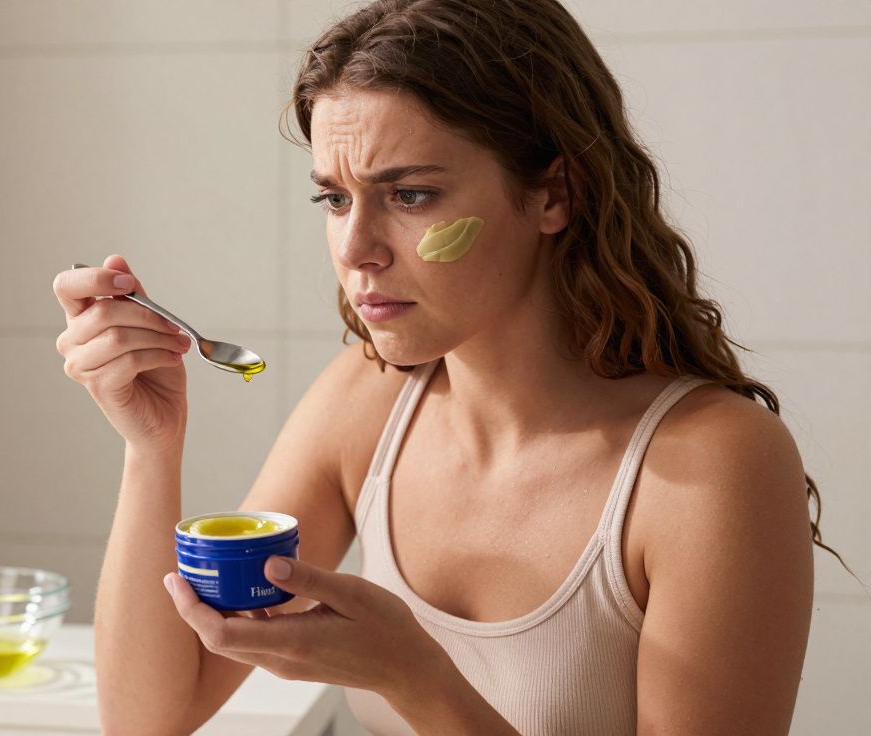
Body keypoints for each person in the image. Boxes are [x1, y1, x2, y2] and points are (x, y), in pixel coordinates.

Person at [52, 1, 835, 733]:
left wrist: (416, 679)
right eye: (334, 200)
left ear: (554, 193)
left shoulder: (714, 465)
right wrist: (150, 446)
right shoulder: (365, 402)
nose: (356, 249)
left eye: (412, 195)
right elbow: (151, 716)